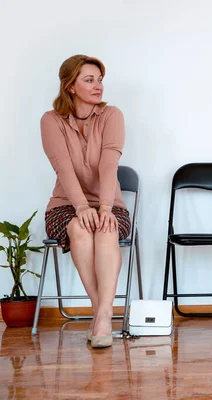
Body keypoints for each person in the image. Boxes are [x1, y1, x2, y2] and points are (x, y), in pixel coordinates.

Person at [41, 55, 130, 349]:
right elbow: (63, 168)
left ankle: (101, 316)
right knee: (80, 227)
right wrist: (81, 207)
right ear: (69, 86)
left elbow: (109, 164)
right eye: (89, 80)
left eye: (100, 80)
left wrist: (104, 207)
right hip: (64, 205)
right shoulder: (51, 120)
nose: (98, 86)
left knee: (106, 227)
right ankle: (101, 311)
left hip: (109, 201)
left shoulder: (111, 115)